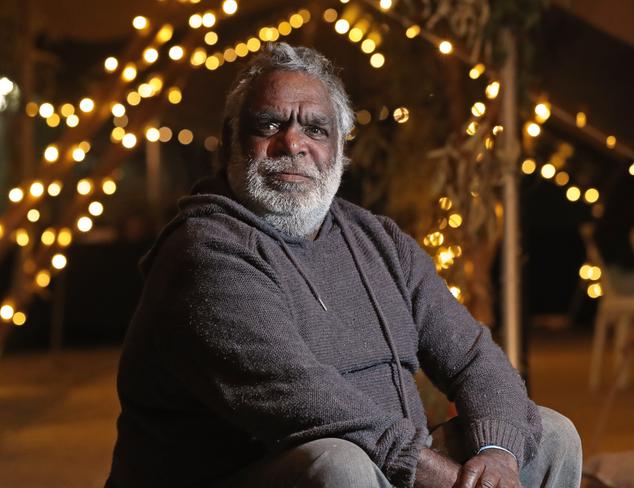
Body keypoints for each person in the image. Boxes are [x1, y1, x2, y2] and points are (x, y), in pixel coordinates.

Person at [105, 43, 582, 488]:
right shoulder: (202, 252)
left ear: (338, 147)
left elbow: (474, 356)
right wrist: (437, 473)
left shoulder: (377, 240)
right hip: (244, 474)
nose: (293, 143)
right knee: (338, 463)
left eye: (315, 128)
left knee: (552, 434)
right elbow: (303, 399)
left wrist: (497, 453)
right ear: (232, 138)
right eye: (268, 124)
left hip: (389, 461)